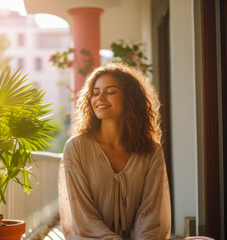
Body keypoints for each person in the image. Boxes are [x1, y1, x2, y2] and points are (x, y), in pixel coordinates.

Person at [58, 62, 171, 239]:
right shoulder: (76, 148)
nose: (100, 97)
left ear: (130, 99)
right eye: (95, 93)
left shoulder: (151, 151)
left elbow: (152, 214)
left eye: (110, 92)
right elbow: (83, 218)